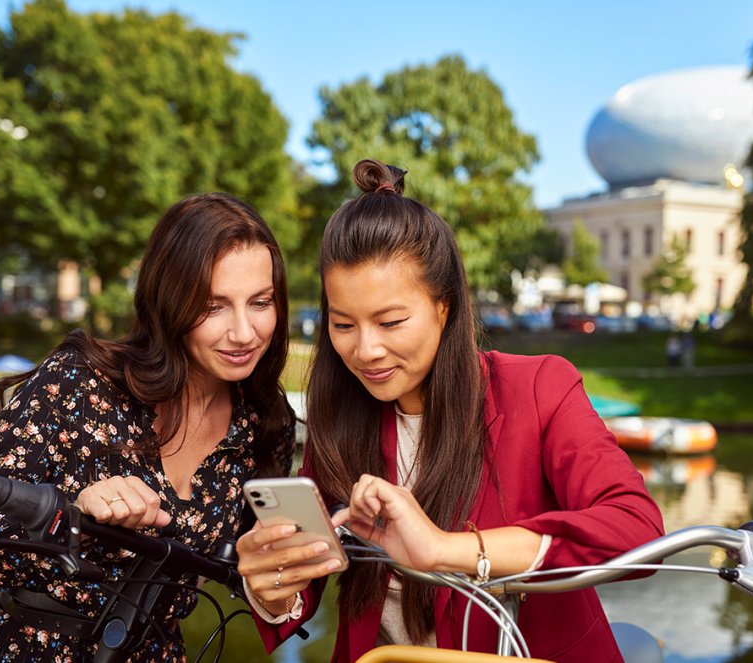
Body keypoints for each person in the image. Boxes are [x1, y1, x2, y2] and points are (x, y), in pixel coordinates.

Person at [237, 160, 665, 662]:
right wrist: (274, 589)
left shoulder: (540, 388)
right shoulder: (341, 416)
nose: (365, 350)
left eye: (391, 321)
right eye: (343, 324)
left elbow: (635, 529)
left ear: (444, 307)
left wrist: (445, 549)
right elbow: (304, 587)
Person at [0, 193, 297, 661]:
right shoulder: (80, 382)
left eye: (260, 302)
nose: (244, 332)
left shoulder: (266, 420)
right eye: (213, 306)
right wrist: (72, 520)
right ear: (170, 301)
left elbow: (251, 571)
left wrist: (283, 578)